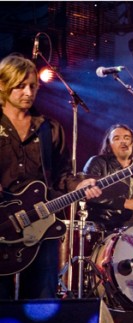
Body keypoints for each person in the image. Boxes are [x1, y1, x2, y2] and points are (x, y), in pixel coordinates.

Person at [0, 53, 102, 300]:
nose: (28, 92)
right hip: (3, 221)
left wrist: (81, 183)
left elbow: (61, 175)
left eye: (33, 86)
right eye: (20, 86)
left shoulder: (49, 127)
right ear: (2, 86)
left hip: (41, 223)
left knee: (42, 300)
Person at [82, 123, 133, 232]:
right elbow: (86, 194)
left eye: (127, 138)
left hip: (126, 234)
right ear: (109, 145)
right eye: (116, 138)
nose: (123, 141)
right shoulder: (97, 162)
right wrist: (126, 203)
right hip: (98, 231)